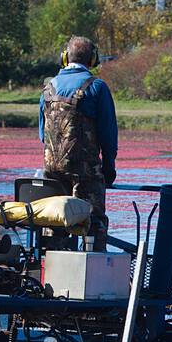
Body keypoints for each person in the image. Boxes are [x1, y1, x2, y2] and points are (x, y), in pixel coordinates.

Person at [38, 35, 119, 247]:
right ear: (93, 59)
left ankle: (51, 261)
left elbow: (42, 135)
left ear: (65, 57)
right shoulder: (97, 87)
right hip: (85, 172)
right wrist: (109, 168)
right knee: (93, 223)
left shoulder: (48, 88)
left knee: (55, 220)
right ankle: (94, 261)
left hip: (52, 171)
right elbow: (108, 135)